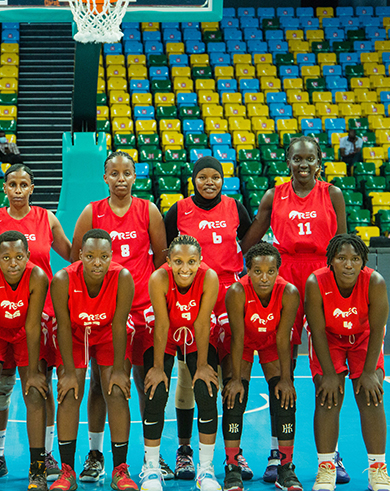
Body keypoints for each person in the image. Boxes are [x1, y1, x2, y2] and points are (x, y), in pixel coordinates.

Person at [241, 135, 348, 484]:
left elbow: (344, 244)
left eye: (310, 159)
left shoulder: (332, 194)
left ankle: (331, 454)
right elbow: (251, 238)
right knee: (281, 360)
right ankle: (277, 450)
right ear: (288, 161)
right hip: (283, 276)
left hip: (321, 276)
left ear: (320, 162)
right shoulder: (274, 196)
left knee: (327, 363)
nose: (303, 165)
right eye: (297, 159)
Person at [0, 164, 73, 482]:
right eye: (11, 183)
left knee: (39, 385)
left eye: (23, 183)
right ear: (4, 188)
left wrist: (102, 254)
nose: (17, 188)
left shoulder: (47, 218)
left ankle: (46, 454)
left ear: (31, 187)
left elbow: (71, 253)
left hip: (39, 315)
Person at [70, 151, 169, 483]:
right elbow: (76, 260)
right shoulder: (92, 212)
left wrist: (158, 303)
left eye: (127, 173)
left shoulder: (148, 210)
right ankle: (96, 454)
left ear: (135, 177)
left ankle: (150, 457)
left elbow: (161, 260)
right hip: (103, 313)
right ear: (105, 177)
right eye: (115, 173)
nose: (121, 179)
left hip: (142, 308)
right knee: (101, 382)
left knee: (143, 382)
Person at [163, 155, 252, 482]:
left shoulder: (235, 208)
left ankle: (233, 451)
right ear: (194, 180)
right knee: (189, 376)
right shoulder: (179, 210)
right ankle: (185, 451)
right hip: (192, 294)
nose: (210, 182)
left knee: (233, 373)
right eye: (204, 177)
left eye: (216, 177)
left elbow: (249, 241)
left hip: (229, 295)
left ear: (223, 179)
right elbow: (168, 251)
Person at [50, 229, 138, 491]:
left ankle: (120, 470)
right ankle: (67, 471)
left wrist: (122, 370)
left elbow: (120, 324)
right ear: (80, 256)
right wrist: (66, 372)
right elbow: (63, 327)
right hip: (75, 335)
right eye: (90, 256)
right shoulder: (63, 279)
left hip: (110, 332)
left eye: (103, 257)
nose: (97, 263)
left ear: (112, 256)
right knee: (70, 392)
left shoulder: (122, 277)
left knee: (116, 389)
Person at [305, 234, 390, 491]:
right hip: (329, 337)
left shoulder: (375, 282)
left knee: (371, 393)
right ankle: (326, 468)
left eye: (355, 259)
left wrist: (368, 372)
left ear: (363, 262)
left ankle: (378, 469)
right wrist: (330, 374)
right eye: (342, 258)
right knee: (327, 393)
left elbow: (377, 329)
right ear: (331, 260)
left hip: (363, 336)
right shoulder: (315, 282)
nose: (348, 264)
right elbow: (317, 330)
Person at [139, 235, 221, 491]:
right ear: (168, 261)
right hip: (164, 333)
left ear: (200, 261)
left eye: (191, 261)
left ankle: (206, 469)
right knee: (156, 391)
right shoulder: (159, 278)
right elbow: (162, 324)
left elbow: (202, 322)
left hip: (196, 334)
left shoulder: (209, 277)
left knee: (206, 390)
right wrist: (156, 368)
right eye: (178, 261)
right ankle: (151, 468)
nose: (185, 268)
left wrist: (204, 365)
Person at [0, 231, 51, 491]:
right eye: (6, 257)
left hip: (23, 333)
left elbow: (32, 326)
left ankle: (37, 467)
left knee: (35, 392)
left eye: (19, 257)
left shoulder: (37, 276)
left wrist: (35, 372)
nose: (13, 263)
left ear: (27, 256)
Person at [222, 243, 303, 491]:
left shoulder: (289, 292)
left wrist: (286, 380)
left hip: (272, 340)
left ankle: (285, 467)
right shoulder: (236, 291)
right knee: (235, 395)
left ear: (278, 270)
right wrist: (235, 379)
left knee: (284, 396)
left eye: (271, 271)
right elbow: (237, 337)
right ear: (248, 270)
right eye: (257, 271)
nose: (264, 277)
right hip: (243, 341)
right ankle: (232, 466)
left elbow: (283, 338)